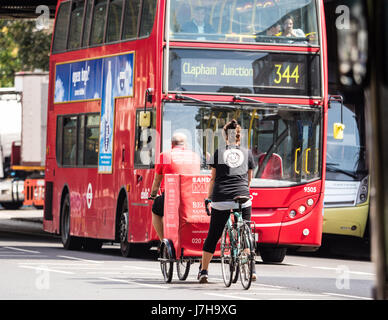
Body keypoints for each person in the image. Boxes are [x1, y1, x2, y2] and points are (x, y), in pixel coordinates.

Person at [198, 119, 256, 283]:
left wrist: (208, 199)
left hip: (221, 197)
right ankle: (250, 268)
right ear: (239, 136)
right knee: (246, 230)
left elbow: (212, 179)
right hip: (242, 197)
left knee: (214, 234)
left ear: (225, 136)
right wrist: (242, 189)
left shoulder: (218, 152)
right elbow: (249, 180)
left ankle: (204, 271)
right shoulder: (247, 153)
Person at [149, 132, 201, 241]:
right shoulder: (195, 156)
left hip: (172, 198)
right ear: (185, 144)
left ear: (172, 144)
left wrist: (153, 195)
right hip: (191, 198)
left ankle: (163, 240)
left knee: (156, 211)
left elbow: (157, 180)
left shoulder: (165, 155)